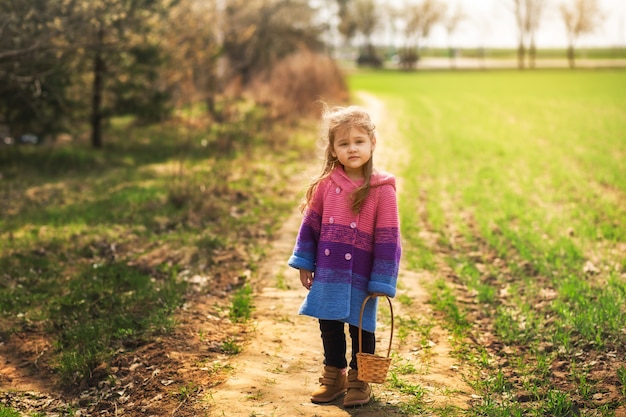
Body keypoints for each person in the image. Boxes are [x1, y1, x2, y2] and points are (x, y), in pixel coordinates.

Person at [288, 104, 401, 407]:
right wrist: (305, 262)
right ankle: (334, 375)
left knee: (362, 329)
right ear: (333, 149)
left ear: (372, 144)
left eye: (359, 141)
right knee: (329, 325)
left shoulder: (382, 190)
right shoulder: (327, 186)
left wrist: (382, 279)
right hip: (329, 270)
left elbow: (389, 239)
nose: (352, 148)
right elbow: (310, 226)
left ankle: (359, 380)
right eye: (344, 143)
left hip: (363, 275)